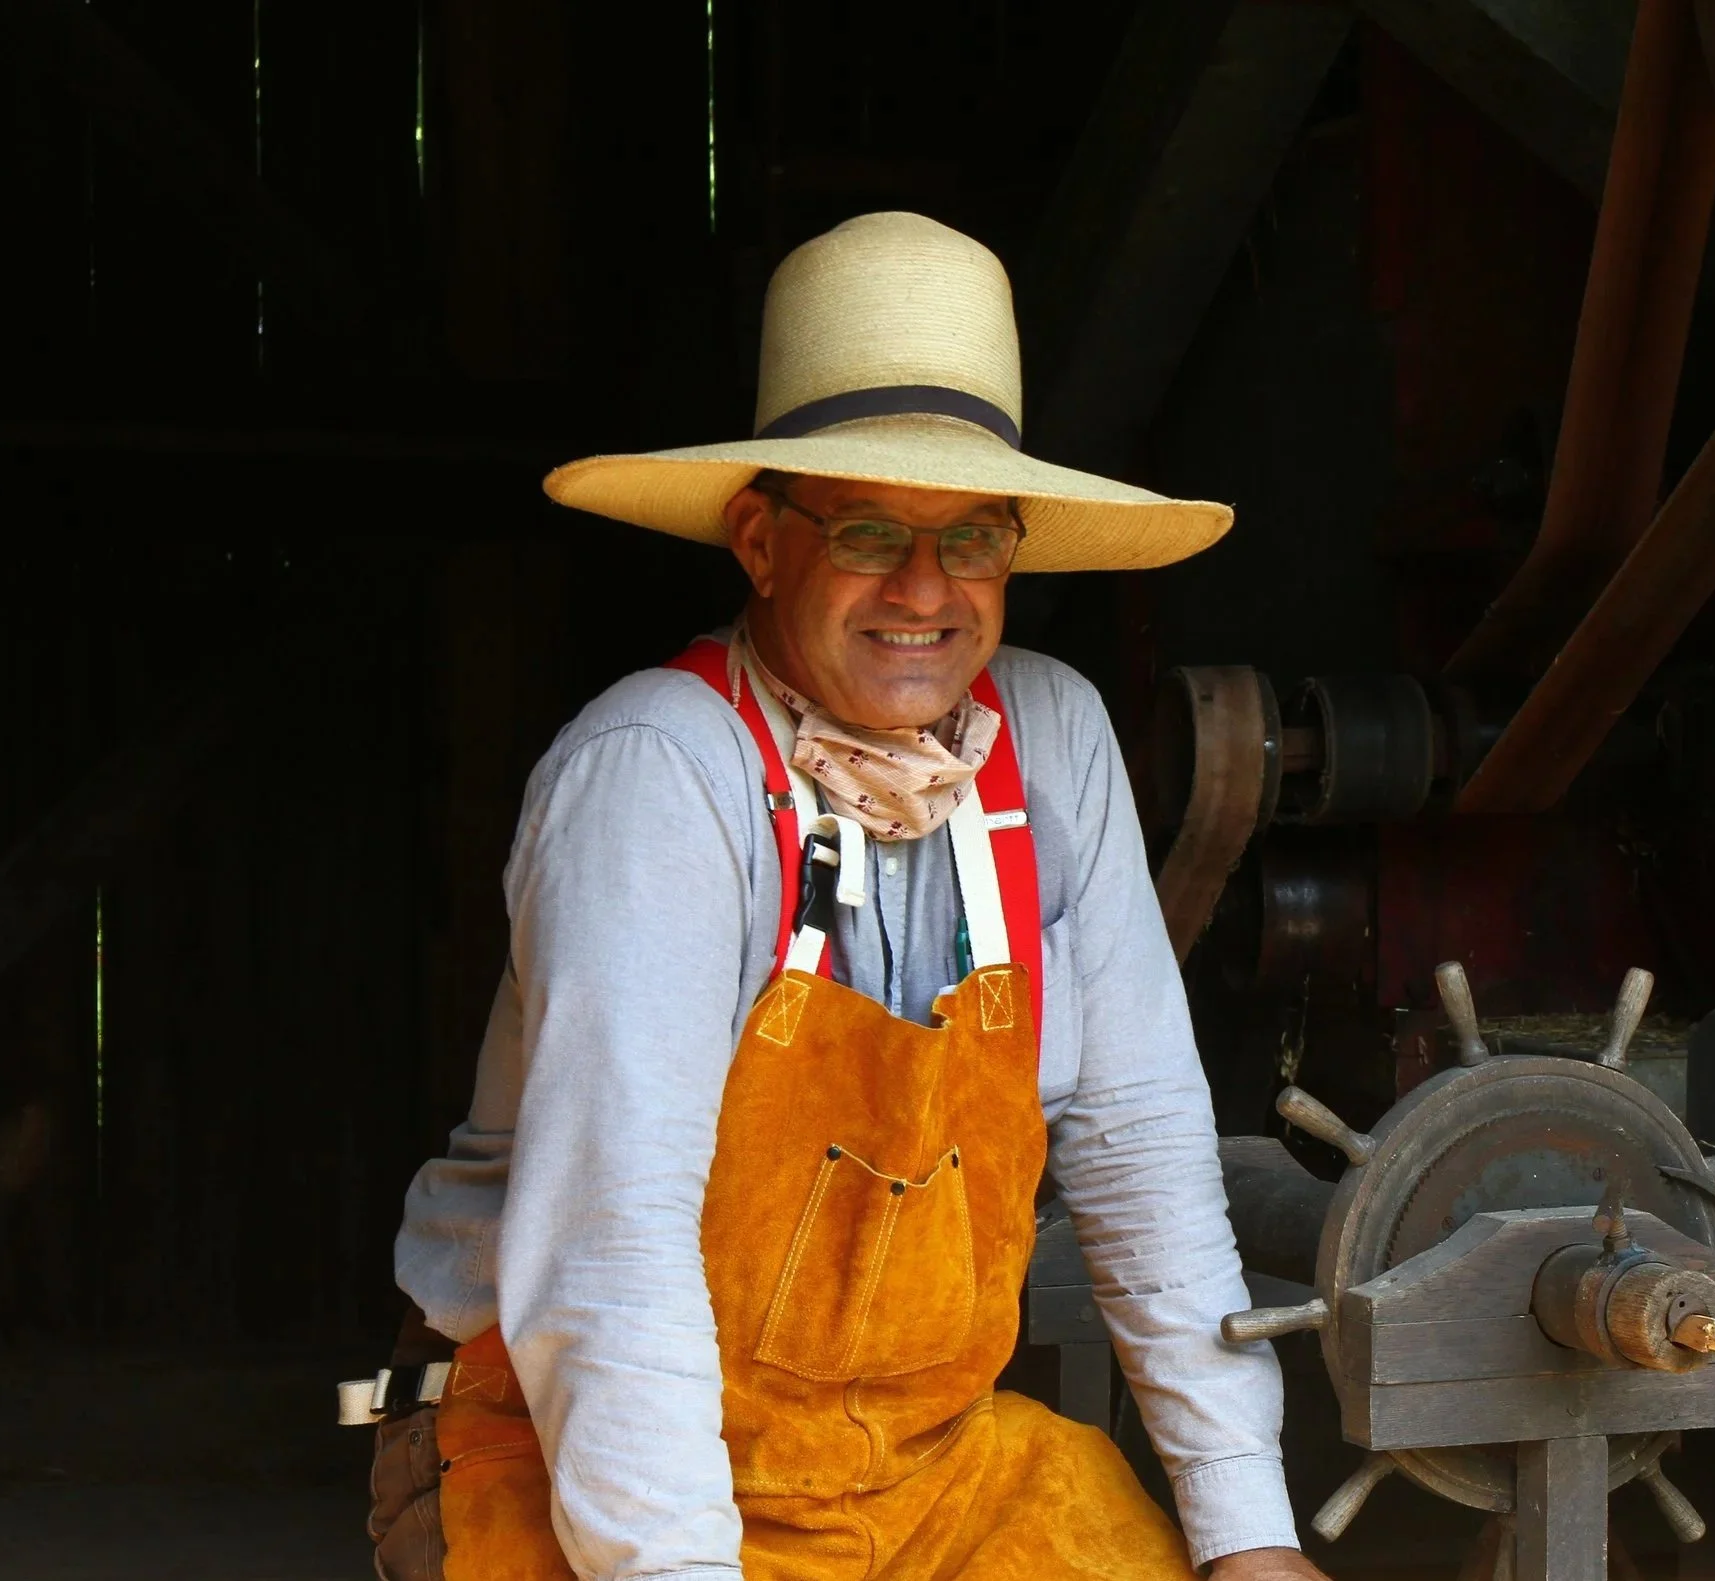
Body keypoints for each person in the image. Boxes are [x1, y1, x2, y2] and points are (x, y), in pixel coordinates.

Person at [366, 211, 1327, 1581]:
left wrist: (1246, 1533)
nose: (925, 592)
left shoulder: (1049, 740)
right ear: (760, 541)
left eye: (974, 540)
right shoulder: (659, 774)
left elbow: (1141, 1149)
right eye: (871, 531)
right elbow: (610, 1244)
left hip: (924, 1473)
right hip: (582, 1451)